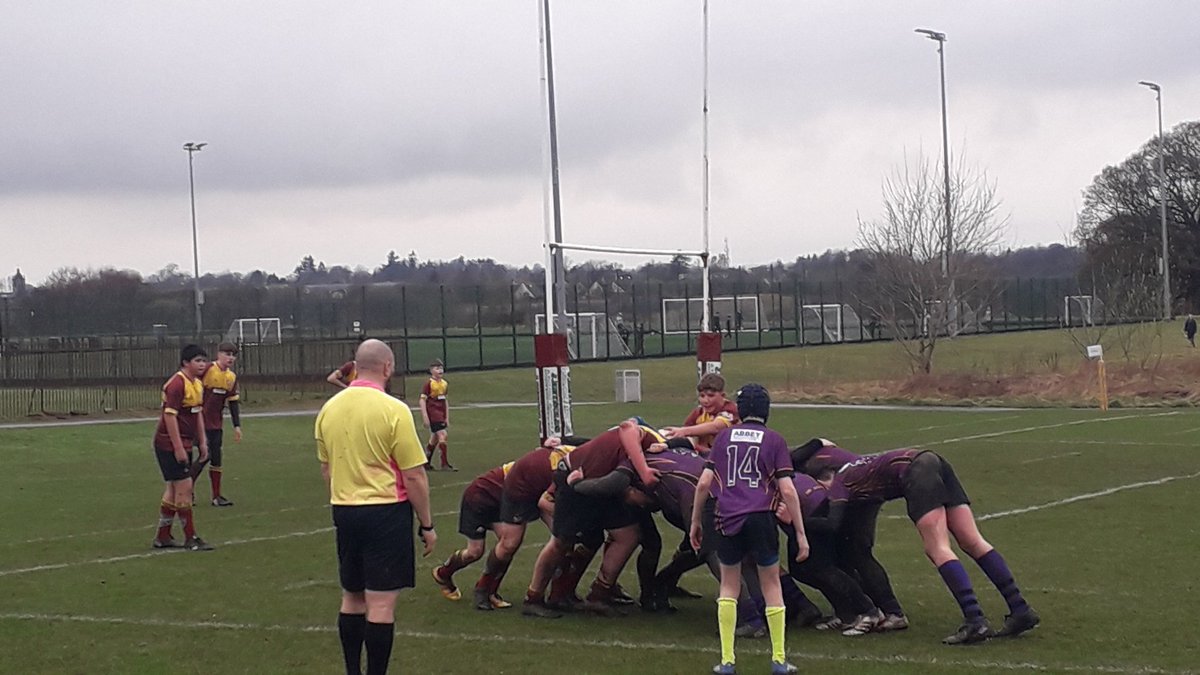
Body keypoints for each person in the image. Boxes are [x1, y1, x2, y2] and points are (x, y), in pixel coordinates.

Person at [817, 448, 1040, 645]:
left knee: (937, 548)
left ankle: (975, 620)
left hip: (917, 472)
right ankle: (1020, 609)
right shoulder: (857, 464)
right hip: (932, 459)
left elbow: (834, 521)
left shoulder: (838, 483)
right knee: (972, 541)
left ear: (824, 478)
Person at [316, 339, 437, 675]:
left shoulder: (329, 409)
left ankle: (352, 670)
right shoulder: (393, 409)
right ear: (387, 367)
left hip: (344, 508)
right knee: (381, 604)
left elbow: (327, 469)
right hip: (386, 512)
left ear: (355, 366)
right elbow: (414, 476)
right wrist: (426, 524)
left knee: (352, 597)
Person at [690, 384, 807, 675]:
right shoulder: (775, 440)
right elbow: (788, 490)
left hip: (726, 516)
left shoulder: (723, 437)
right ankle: (779, 659)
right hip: (761, 517)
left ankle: (727, 660)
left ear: (740, 410)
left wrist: (695, 521)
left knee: (729, 585)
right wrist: (801, 533)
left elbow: (704, 483)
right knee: (771, 584)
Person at [521, 420, 662, 618]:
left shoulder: (650, 449)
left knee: (628, 535)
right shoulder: (644, 437)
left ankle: (599, 594)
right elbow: (627, 427)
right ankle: (533, 598)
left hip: (595, 481)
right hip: (577, 479)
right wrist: (645, 473)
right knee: (561, 542)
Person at [433, 439, 578, 611]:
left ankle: (489, 590)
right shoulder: (544, 470)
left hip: (507, 500)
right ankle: (444, 574)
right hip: (482, 496)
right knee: (475, 551)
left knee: (510, 544)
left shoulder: (551, 466)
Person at [791, 438, 908, 632]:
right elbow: (816, 443)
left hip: (857, 491)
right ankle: (861, 609)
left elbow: (812, 446)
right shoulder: (810, 458)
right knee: (844, 556)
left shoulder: (791, 459)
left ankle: (887, 611)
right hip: (859, 488)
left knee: (856, 554)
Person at [151, 344, 214, 552]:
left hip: (185, 441)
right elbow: (169, 416)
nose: (202, 365)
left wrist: (202, 441)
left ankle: (163, 536)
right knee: (185, 488)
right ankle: (191, 537)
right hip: (168, 443)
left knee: (173, 489)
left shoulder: (196, 384)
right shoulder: (177, 384)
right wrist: (178, 447)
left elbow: (196, 414)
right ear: (185, 363)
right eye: (197, 361)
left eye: (204, 361)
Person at [192, 341, 243, 507]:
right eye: (227, 354)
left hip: (216, 425)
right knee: (204, 456)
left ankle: (216, 496)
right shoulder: (207, 369)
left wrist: (237, 426)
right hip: (199, 422)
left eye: (233, 355)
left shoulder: (231, 377)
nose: (231, 358)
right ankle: (186, 490)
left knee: (216, 458)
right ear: (218, 354)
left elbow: (233, 403)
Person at [663, 372, 739, 454]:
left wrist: (684, 431)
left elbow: (716, 427)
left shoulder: (730, 409)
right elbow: (687, 437)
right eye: (702, 396)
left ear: (723, 395)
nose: (705, 401)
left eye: (711, 396)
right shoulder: (698, 412)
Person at [420, 359, 454, 471]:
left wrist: (447, 417)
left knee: (434, 438)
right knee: (442, 435)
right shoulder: (429, 384)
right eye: (436, 368)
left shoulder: (444, 384)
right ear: (431, 371)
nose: (440, 370)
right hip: (434, 414)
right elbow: (422, 400)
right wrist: (425, 416)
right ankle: (444, 464)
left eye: (441, 368)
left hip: (441, 414)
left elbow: (445, 401)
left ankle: (426, 462)